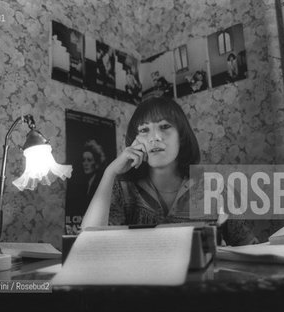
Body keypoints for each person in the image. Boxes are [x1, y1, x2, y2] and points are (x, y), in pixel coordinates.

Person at [81, 97, 258, 246]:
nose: (155, 137)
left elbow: (248, 246)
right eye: (144, 130)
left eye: (164, 126)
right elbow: (88, 244)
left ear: (181, 137)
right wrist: (110, 173)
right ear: (134, 141)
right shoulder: (123, 189)